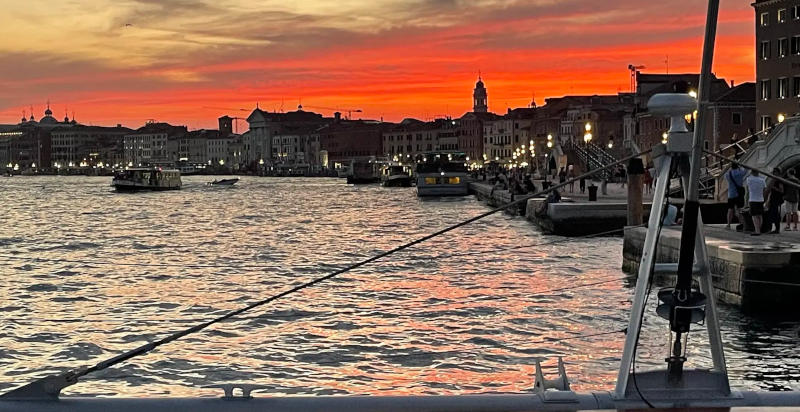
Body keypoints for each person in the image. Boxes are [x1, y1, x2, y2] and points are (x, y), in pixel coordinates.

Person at [724, 163, 746, 230]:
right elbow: (746, 169)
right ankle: (742, 224)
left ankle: (728, 225)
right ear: (737, 166)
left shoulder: (728, 174)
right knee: (740, 209)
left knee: (730, 210)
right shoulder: (740, 173)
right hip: (739, 195)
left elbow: (726, 174)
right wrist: (740, 167)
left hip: (731, 194)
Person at [745, 169, 767, 236]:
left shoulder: (749, 179)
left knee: (754, 216)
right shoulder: (762, 180)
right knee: (760, 215)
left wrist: (746, 200)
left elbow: (747, 190)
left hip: (753, 199)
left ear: (752, 172)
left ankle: (757, 231)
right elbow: (764, 189)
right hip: (760, 199)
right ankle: (759, 229)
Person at [764, 167, 784, 234]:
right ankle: (773, 228)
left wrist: (774, 188)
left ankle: (775, 229)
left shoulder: (779, 180)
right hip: (773, 199)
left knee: (774, 214)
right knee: (772, 213)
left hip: (776, 199)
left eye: (775, 172)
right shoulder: (774, 179)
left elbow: (781, 190)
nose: (774, 173)